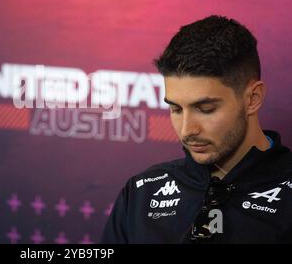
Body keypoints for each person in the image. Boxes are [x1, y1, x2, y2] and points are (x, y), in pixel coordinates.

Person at [101, 15, 292, 243]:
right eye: (176, 109)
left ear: (253, 98)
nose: (187, 130)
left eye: (206, 108)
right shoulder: (140, 194)